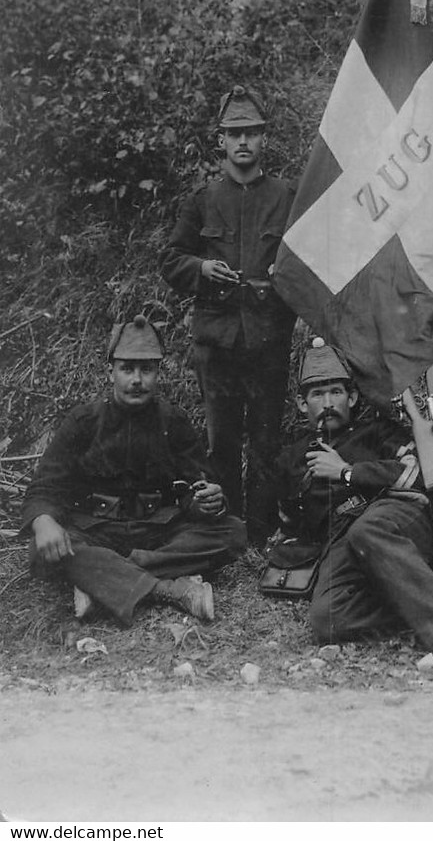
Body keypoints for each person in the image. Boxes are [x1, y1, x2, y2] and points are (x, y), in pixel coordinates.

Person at [272, 339, 433, 676]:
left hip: (396, 516)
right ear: (302, 404)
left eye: (336, 392)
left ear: (353, 397)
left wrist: (347, 472)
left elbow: (417, 474)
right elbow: (292, 521)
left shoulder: (377, 431)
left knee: (368, 529)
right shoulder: (291, 457)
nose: (328, 403)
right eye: (317, 395)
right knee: (327, 616)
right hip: (344, 539)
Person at [20, 316, 246, 627]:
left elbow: (196, 488)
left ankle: (103, 581)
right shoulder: (82, 421)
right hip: (95, 530)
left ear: (157, 374)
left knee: (232, 533)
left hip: (157, 532)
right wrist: (43, 521)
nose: (136, 380)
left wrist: (209, 501)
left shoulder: (173, 421)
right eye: (127, 369)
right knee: (40, 548)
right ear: (110, 371)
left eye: (146, 369)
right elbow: (45, 486)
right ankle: (170, 589)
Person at [160, 87, 296, 545]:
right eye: (234, 133)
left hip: (268, 339)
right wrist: (201, 267)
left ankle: (261, 530)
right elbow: (171, 260)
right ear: (220, 141)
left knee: (266, 439)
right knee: (221, 441)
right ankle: (229, 527)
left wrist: (286, 274)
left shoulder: (286, 197)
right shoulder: (201, 201)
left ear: (264, 140)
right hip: (216, 342)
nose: (243, 142)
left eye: (252, 133)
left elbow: (312, 260)